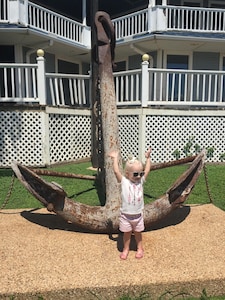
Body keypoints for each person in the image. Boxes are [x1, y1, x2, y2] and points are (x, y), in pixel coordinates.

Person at [109, 147, 151, 260]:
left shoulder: (141, 181)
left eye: (140, 174)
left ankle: (140, 248)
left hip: (138, 215)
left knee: (138, 233)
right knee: (126, 234)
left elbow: (147, 170)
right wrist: (115, 158)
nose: (139, 176)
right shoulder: (124, 182)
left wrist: (148, 158)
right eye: (136, 174)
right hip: (126, 216)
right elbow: (116, 171)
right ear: (127, 174)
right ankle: (126, 249)